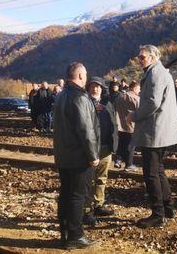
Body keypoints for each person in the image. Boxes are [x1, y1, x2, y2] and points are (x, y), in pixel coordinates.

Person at [128, 45, 177, 228]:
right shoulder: (158, 72)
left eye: (142, 57)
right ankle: (168, 208)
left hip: (155, 131)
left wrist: (133, 116)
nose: (139, 60)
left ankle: (158, 215)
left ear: (153, 57)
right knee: (158, 170)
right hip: (159, 130)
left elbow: (152, 103)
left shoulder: (155, 73)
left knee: (151, 173)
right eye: (139, 57)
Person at [52, 62, 99, 249]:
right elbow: (85, 129)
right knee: (78, 196)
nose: (87, 77)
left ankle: (64, 232)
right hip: (78, 156)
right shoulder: (79, 97)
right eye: (85, 74)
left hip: (64, 155)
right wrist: (93, 155)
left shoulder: (62, 95)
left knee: (65, 193)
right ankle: (75, 235)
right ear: (79, 75)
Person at [84, 76, 118, 223]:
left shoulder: (107, 103)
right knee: (88, 180)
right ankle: (86, 210)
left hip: (105, 147)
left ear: (102, 88)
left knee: (101, 179)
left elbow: (113, 125)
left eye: (98, 86)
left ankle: (98, 204)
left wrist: (114, 145)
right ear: (88, 88)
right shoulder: (84, 103)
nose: (95, 88)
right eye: (92, 86)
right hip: (91, 149)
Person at [115, 81, 140, 172]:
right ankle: (129, 164)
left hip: (121, 124)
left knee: (122, 144)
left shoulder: (120, 96)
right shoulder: (136, 98)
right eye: (138, 89)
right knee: (131, 146)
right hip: (132, 125)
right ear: (134, 88)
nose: (139, 91)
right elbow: (139, 112)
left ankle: (118, 160)